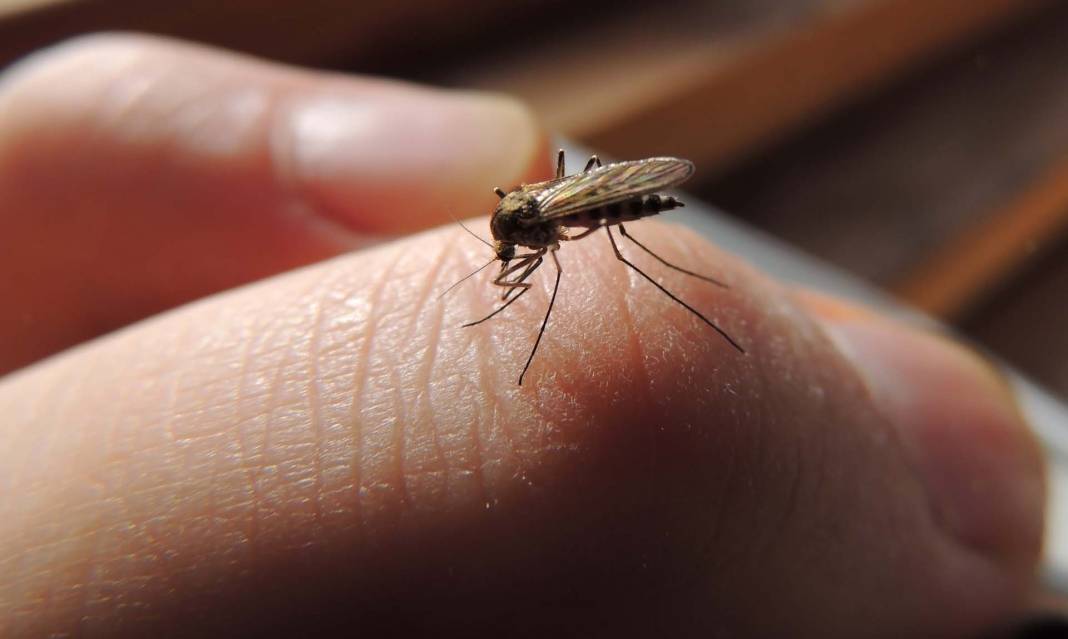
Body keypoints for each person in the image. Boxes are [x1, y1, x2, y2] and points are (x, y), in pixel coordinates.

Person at [0, 34, 1045, 638]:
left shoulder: (542, 218)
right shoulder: (528, 216)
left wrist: (540, 258)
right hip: (594, 192)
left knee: (629, 274)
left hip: (624, 203)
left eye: (511, 237)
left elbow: (573, 229)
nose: (508, 249)